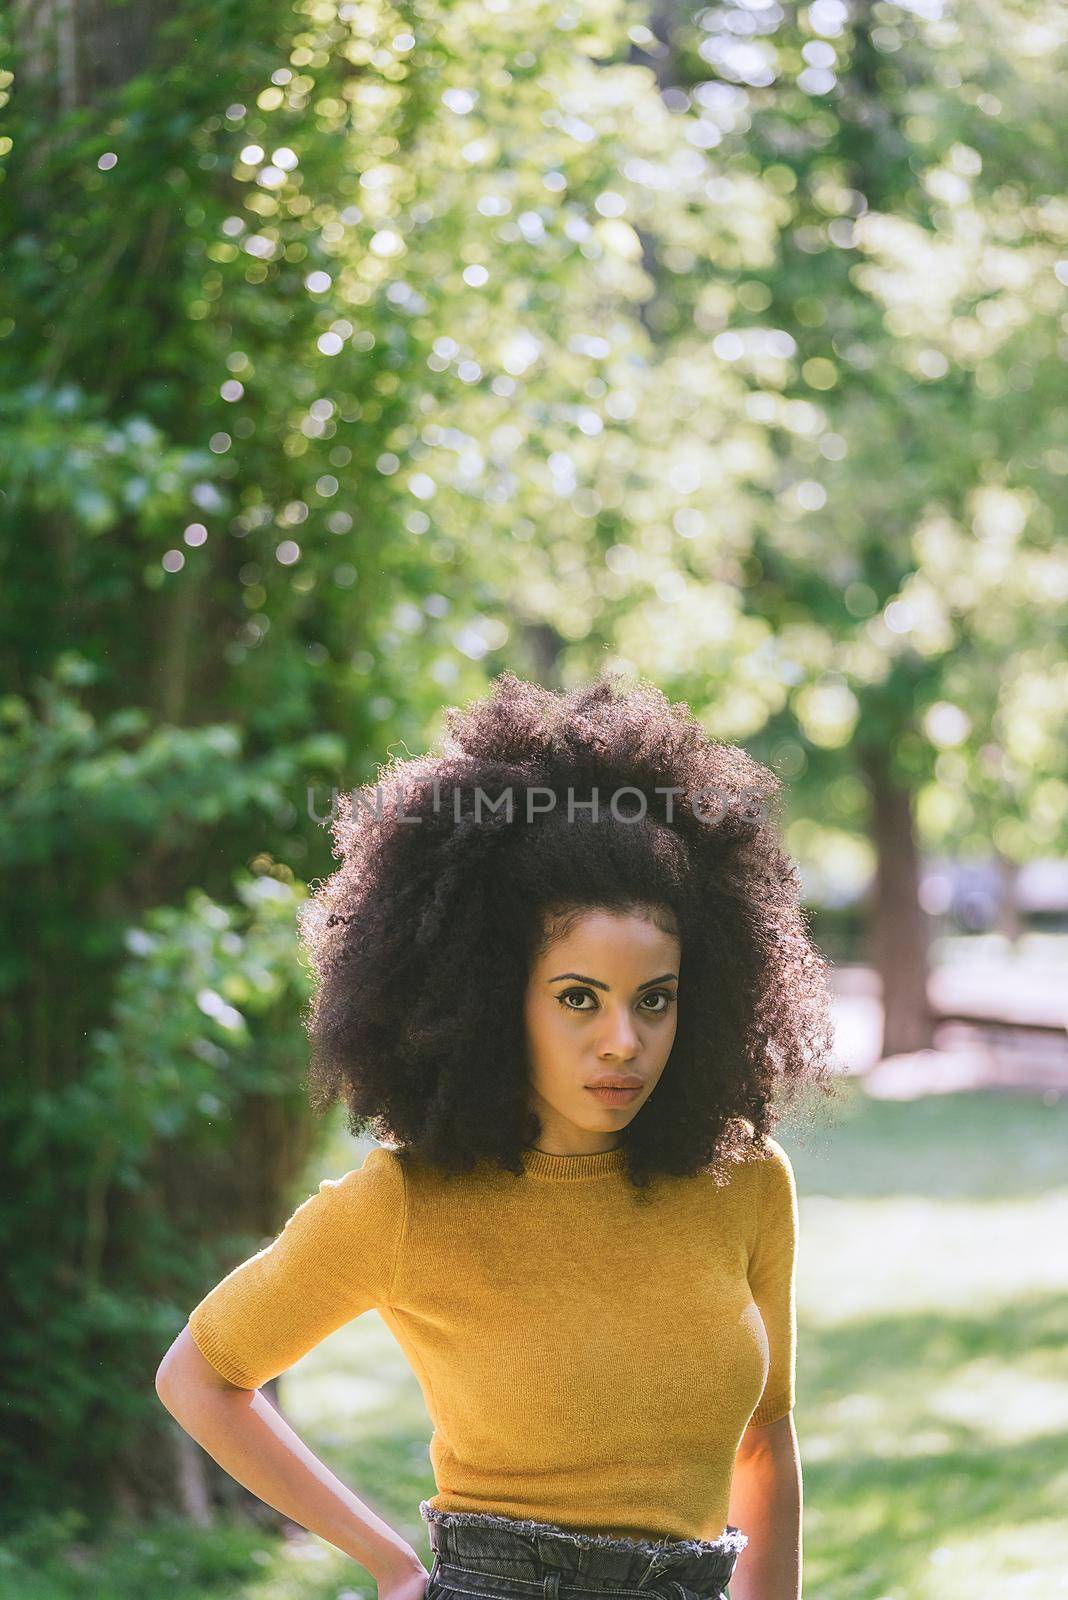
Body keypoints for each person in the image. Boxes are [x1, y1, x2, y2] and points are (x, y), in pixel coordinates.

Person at [155, 671, 839, 1600]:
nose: (623, 1042)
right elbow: (201, 1379)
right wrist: (395, 1568)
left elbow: (765, 1443)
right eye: (577, 999)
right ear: (489, 997)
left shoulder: (747, 1181)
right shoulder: (405, 1203)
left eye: (656, 1000)